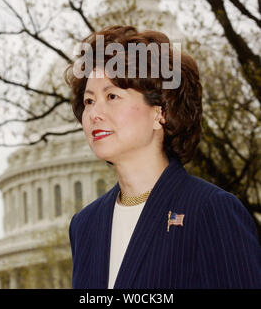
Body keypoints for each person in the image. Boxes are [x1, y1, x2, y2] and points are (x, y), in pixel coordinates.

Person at [64, 25, 261, 289]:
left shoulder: (209, 210)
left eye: (112, 96)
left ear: (161, 112)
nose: (94, 114)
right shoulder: (85, 225)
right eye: (89, 101)